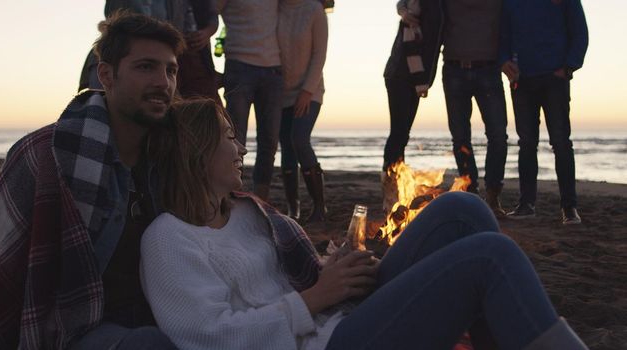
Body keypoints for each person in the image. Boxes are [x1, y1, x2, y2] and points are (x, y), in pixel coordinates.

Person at [140, 98, 588, 350]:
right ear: (198, 151)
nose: (240, 148)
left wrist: (328, 267)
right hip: (321, 343)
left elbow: (283, 280)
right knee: (492, 257)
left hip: (331, 318)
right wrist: (315, 297)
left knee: (461, 212)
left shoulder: (242, 212)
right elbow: (213, 339)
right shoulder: (168, 239)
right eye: (229, 136)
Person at [0, 12, 182, 349]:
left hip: (161, 312)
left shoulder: (176, 157)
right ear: (106, 75)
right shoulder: (46, 154)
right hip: (70, 327)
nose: (164, 82)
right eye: (146, 67)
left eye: (171, 70)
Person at [500, 0, 589, 224]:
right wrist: (504, 62)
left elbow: (580, 32)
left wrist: (568, 66)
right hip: (521, 80)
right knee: (527, 143)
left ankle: (569, 208)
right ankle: (526, 205)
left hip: (554, 79)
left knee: (560, 142)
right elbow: (502, 34)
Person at [438, 0, 509, 216]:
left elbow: (516, 18)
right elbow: (413, 4)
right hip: (454, 70)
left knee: (498, 135)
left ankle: (493, 195)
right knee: (460, 137)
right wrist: (402, 8)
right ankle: (470, 192)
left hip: (489, 69)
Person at [79, 0, 221, 103]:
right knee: (101, 110)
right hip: (118, 55)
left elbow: (202, 17)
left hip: (174, 58)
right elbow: (114, 20)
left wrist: (205, 33)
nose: (163, 83)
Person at [218, 0, 284, 202]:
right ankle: (230, 196)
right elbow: (209, 11)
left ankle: (260, 200)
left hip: (273, 69)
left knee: (270, 141)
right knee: (235, 138)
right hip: (239, 64)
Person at [381, 0, 443, 213]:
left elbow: (401, 4)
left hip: (411, 76)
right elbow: (411, 41)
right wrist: (420, 80)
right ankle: (390, 194)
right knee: (399, 133)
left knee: (402, 134)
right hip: (401, 74)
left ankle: (396, 190)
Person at [277, 0, 329, 223]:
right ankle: (293, 208)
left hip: (310, 89)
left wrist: (307, 90)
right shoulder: (275, 8)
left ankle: (320, 206)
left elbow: (320, 54)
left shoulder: (314, 9)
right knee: (286, 146)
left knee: (299, 139)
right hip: (279, 92)